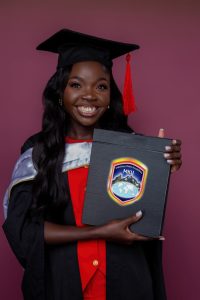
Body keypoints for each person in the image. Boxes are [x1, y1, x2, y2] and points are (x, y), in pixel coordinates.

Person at [2, 29, 182, 300]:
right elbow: (25, 230)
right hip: (63, 284)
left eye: (101, 86)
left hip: (127, 284)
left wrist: (161, 164)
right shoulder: (39, 154)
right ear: (60, 92)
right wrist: (98, 233)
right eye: (76, 84)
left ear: (111, 97)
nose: (89, 95)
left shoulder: (129, 150)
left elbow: (144, 218)